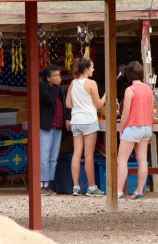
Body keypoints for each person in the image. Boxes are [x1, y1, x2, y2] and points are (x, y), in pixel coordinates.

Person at [66, 57, 106, 196]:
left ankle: (76, 187)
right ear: (86, 69)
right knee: (88, 155)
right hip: (89, 120)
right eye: (92, 67)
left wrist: (79, 105)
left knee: (76, 154)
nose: (93, 69)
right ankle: (92, 187)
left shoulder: (73, 83)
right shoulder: (91, 83)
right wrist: (106, 95)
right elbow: (99, 105)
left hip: (76, 120)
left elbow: (68, 104)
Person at [117, 61, 153, 200]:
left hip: (132, 127)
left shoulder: (130, 90)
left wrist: (121, 127)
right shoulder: (148, 89)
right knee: (143, 160)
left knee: (122, 160)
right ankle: (139, 190)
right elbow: (150, 111)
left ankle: (119, 191)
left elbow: (125, 113)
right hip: (146, 127)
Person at [40, 64, 70, 196]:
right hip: (46, 126)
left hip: (58, 126)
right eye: (55, 76)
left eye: (59, 75)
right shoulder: (43, 87)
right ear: (47, 78)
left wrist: (67, 119)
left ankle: (49, 184)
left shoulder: (60, 89)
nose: (58, 78)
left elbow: (64, 106)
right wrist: (56, 87)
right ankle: (42, 184)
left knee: (53, 157)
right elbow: (49, 99)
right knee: (44, 156)